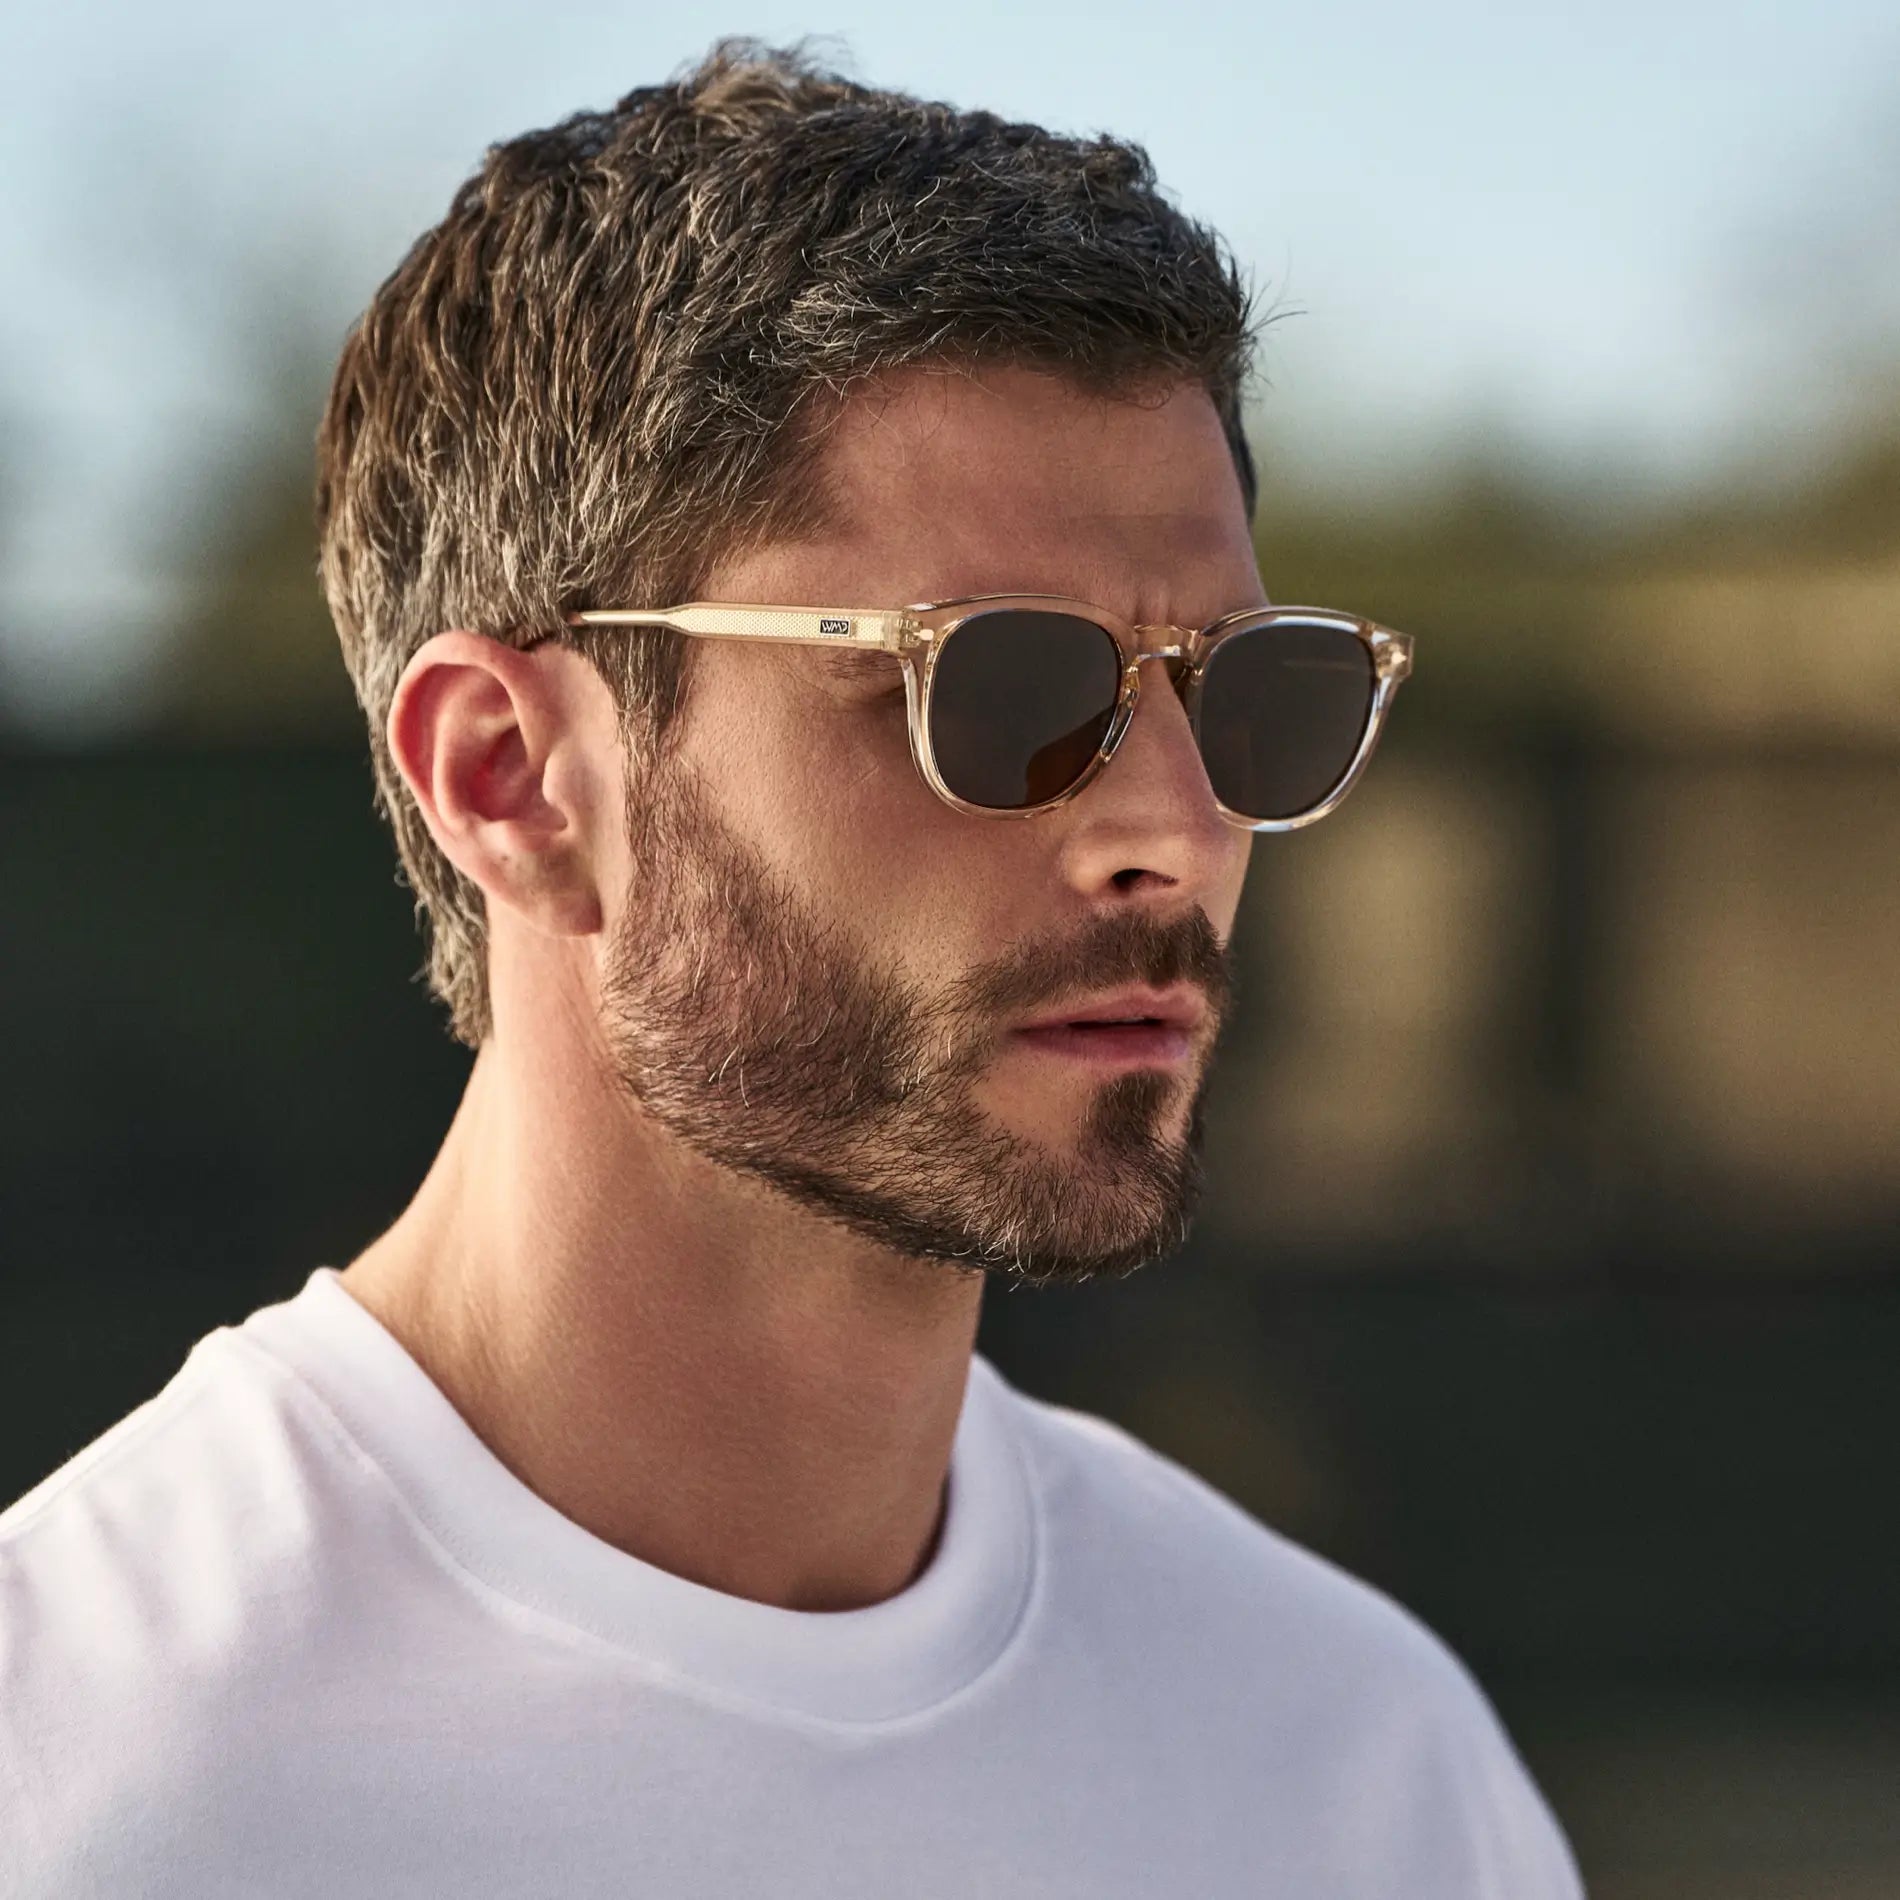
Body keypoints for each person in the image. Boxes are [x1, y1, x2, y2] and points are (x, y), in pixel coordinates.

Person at [0, 39, 1583, 1898]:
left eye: (1248, 694)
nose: (1167, 825)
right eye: (1002, 686)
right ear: (514, 783)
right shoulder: (82, 1774)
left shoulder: (1356, 1772)